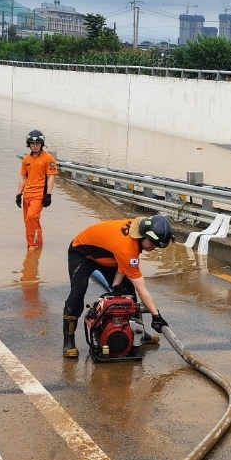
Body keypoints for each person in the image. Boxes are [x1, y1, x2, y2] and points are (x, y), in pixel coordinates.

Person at [62, 213, 174, 358]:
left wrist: (116, 286)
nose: (153, 248)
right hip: (82, 253)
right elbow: (142, 287)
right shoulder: (126, 247)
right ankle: (68, 341)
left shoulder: (138, 231)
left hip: (110, 256)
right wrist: (156, 316)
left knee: (128, 293)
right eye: (152, 244)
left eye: (156, 246)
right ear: (144, 235)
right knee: (78, 292)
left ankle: (137, 332)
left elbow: (124, 263)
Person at [15, 129, 57, 249]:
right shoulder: (26, 159)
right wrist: (18, 195)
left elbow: (51, 177)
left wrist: (48, 195)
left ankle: (32, 246)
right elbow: (23, 178)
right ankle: (39, 242)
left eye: (37, 143)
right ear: (29, 144)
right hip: (27, 195)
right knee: (30, 221)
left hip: (39, 195)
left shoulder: (48, 158)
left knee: (31, 217)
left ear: (41, 144)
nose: (35, 146)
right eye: (32, 144)